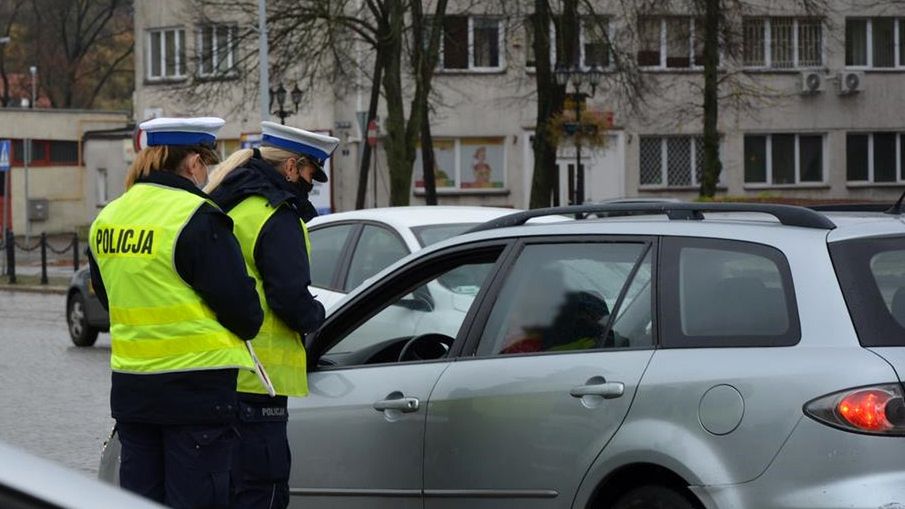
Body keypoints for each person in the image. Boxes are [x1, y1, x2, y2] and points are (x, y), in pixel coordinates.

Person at [87, 117, 264, 509]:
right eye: (206, 163)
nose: (207, 173)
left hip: (134, 392)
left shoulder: (108, 218)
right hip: (196, 394)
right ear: (192, 162)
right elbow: (245, 314)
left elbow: (109, 297)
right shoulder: (197, 215)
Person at [204, 121, 337, 509]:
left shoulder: (226, 202)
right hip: (261, 381)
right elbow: (289, 298)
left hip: (218, 373)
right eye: (311, 173)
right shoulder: (276, 215)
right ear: (292, 167)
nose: (311, 184)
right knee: (263, 493)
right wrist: (317, 315)